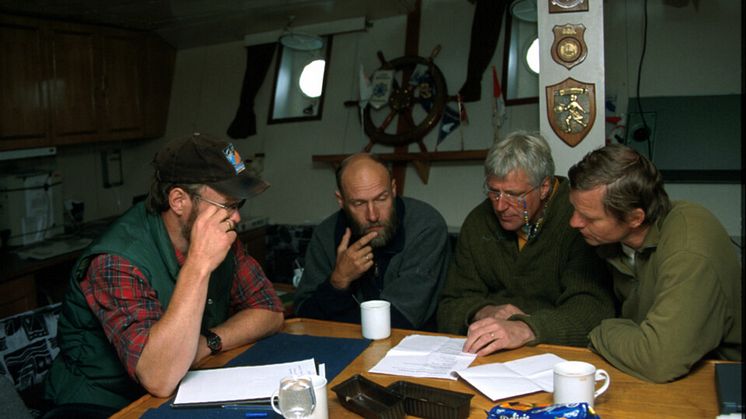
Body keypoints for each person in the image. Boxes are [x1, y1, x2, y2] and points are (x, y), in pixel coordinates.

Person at [42, 133, 284, 415]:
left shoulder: (218, 233)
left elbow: (270, 310)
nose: (237, 218)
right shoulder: (114, 261)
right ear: (179, 201)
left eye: (239, 205)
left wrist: (209, 342)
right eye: (228, 205)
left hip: (177, 390)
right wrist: (198, 266)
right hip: (99, 403)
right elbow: (158, 377)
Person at [567, 143, 741, 383]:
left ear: (634, 218)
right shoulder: (612, 240)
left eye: (588, 217)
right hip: (641, 368)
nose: (574, 223)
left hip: (718, 376)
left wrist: (600, 330)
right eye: (575, 210)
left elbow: (659, 360)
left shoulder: (689, 247)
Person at [438, 131, 615, 355]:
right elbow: (448, 307)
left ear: (544, 188)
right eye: (494, 191)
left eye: (513, 194)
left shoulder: (578, 219)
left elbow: (592, 311)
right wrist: (484, 311)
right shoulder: (478, 221)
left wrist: (525, 328)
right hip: (488, 353)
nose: (500, 205)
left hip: (556, 354)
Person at [294, 153, 450, 330]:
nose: (373, 215)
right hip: (338, 346)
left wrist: (336, 316)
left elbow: (400, 320)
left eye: (381, 199)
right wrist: (338, 281)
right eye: (359, 203)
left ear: (393, 189)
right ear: (341, 201)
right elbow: (304, 318)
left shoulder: (425, 226)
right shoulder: (326, 234)